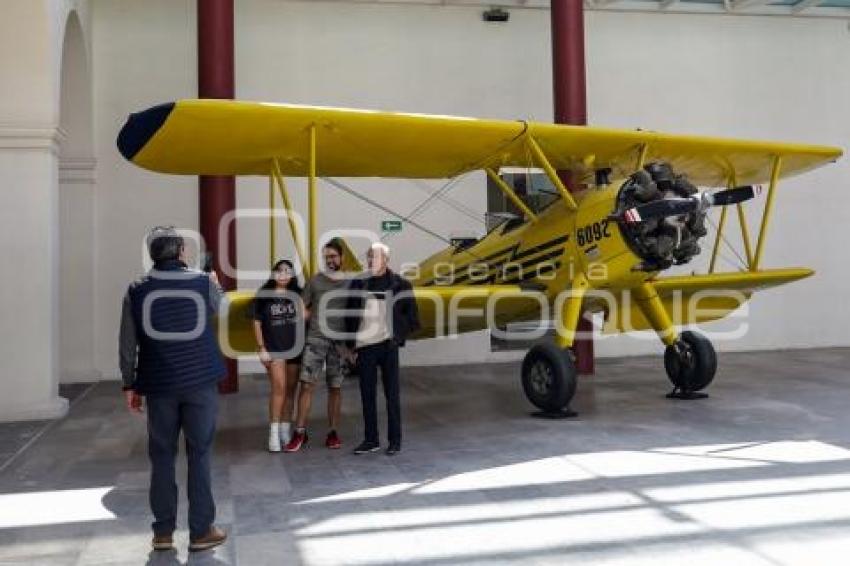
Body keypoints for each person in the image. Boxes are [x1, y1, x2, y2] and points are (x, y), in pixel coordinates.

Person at [119, 227, 227, 553]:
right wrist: (217, 287)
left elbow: (127, 343)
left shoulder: (136, 289)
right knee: (200, 453)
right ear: (181, 251)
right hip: (200, 382)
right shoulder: (201, 281)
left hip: (159, 384)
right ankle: (200, 531)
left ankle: (163, 533)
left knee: (162, 456)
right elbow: (221, 310)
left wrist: (129, 383)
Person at [346, 242, 420, 456]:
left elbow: (413, 318)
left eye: (375, 257)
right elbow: (349, 315)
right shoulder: (358, 284)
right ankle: (371, 440)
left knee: (392, 396)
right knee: (367, 395)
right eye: (369, 256)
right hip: (365, 347)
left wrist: (397, 336)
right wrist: (349, 346)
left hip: (388, 347)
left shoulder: (401, 285)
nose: (370, 260)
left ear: (386, 260)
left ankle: (395, 441)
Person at [284, 239, 350, 452]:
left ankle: (333, 432)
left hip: (339, 343)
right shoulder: (315, 281)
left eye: (333, 256)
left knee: (336, 387)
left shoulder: (351, 282)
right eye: (326, 256)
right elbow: (301, 306)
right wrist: (311, 316)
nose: (330, 260)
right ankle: (300, 433)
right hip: (316, 339)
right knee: (307, 385)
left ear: (342, 257)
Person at [252, 259, 305, 452]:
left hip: (295, 349)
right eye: (279, 270)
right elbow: (256, 323)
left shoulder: (297, 294)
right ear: (274, 273)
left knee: (291, 391)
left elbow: (305, 316)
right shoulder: (264, 295)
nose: (283, 274)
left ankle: (285, 430)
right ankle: (273, 433)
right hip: (274, 349)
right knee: (279, 389)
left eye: (287, 271)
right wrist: (261, 348)